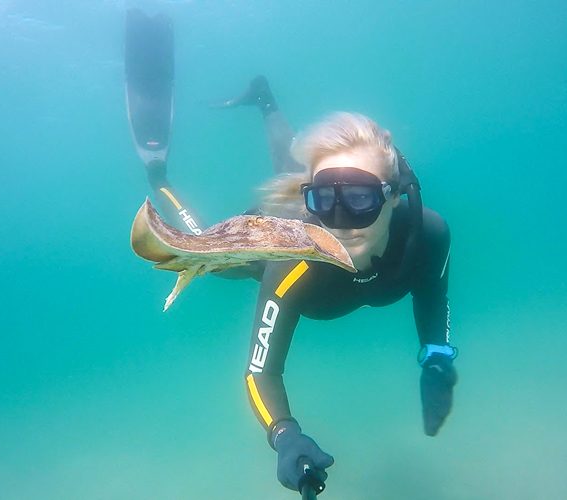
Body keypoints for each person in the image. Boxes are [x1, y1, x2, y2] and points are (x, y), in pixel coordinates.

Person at [125, 11, 456, 495]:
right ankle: (160, 177)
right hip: (261, 240)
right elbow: (262, 371)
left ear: (393, 195)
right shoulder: (291, 264)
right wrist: (284, 436)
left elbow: (433, 295)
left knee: (288, 164)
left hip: (310, 198)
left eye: (360, 197)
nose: (339, 219)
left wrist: (437, 359)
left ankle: (265, 100)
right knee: (198, 255)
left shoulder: (427, 235)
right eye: (325, 198)